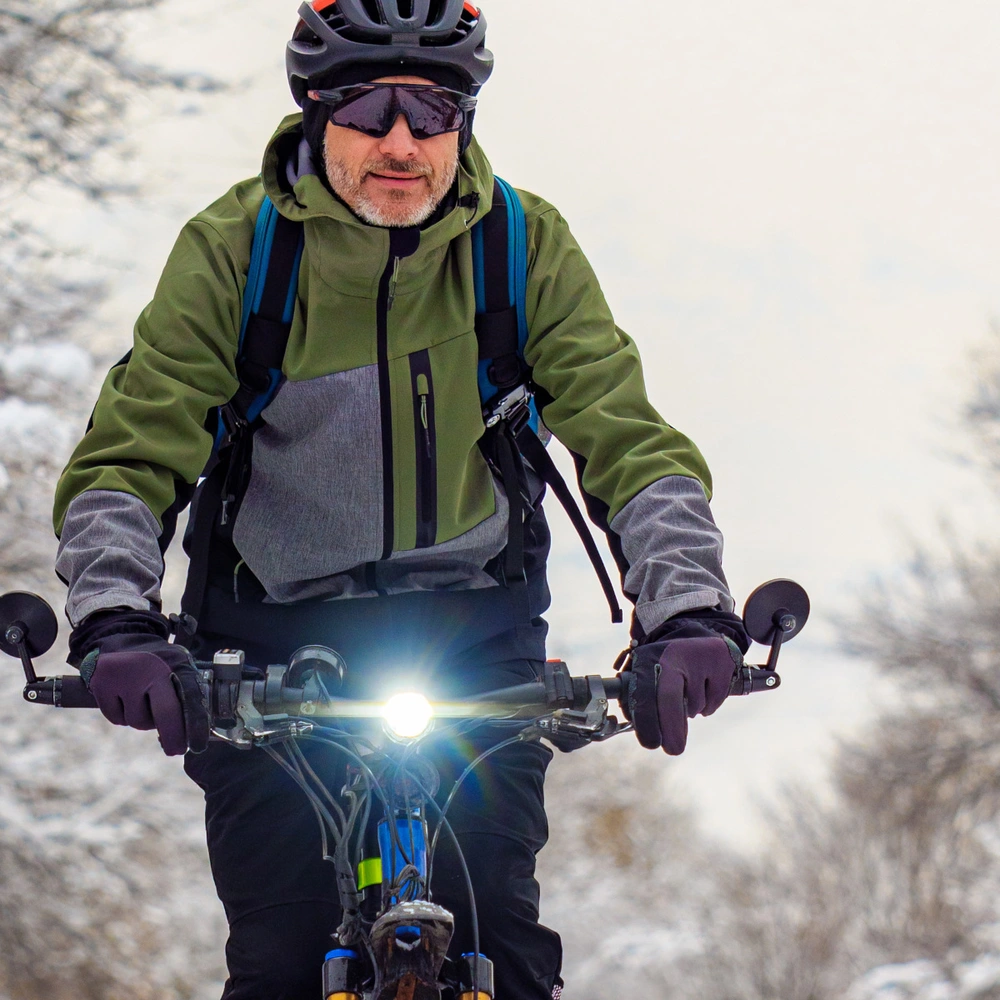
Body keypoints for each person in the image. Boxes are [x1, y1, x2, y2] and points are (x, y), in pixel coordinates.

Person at [52, 2, 750, 998]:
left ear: (463, 120)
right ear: (312, 110)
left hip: (471, 627)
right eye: (366, 107)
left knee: (503, 938)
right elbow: (129, 455)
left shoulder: (520, 248)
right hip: (269, 634)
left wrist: (688, 608)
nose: (399, 141)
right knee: (279, 957)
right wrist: (115, 618)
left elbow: (629, 439)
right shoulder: (236, 256)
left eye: (430, 110)